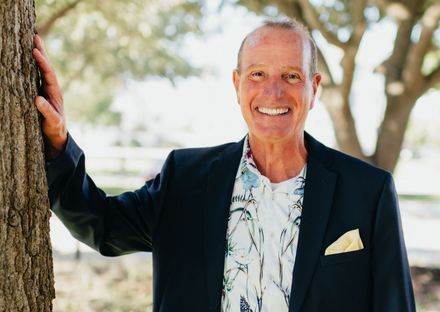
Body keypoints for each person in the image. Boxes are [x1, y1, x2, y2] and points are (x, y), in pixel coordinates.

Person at [33, 18, 416, 312]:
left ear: (313, 89)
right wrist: (59, 142)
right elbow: (101, 225)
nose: (273, 91)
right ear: (237, 85)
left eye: (291, 76)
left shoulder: (367, 191)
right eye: (258, 74)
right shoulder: (186, 178)